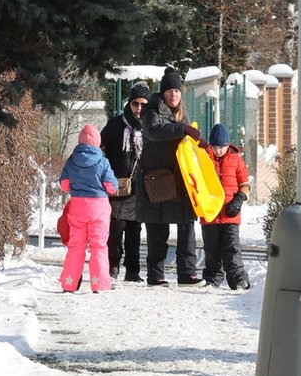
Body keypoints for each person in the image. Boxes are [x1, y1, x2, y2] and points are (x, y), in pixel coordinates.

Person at [136, 66, 208, 287]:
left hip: (179, 180)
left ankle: (187, 273)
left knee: (187, 225)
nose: (173, 95)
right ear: (163, 92)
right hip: (156, 180)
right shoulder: (152, 111)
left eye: (176, 91)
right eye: (169, 91)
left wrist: (200, 144)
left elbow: (185, 142)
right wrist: (183, 130)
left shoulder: (181, 114)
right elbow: (154, 131)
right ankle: (156, 275)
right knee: (158, 229)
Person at [58, 124, 117, 293]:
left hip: (77, 208)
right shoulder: (103, 162)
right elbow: (111, 186)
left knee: (76, 246)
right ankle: (99, 283)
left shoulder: (71, 160)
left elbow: (64, 184)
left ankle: (69, 282)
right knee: (99, 246)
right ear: (97, 142)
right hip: (98, 209)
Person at [100, 83, 150, 282]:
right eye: (135, 104)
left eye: (143, 105)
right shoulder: (115, 125)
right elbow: (101, 148)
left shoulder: (149, 127)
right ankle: (113, 265)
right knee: (115, 228)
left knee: (135, 231)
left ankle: (133, 270)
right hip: (117, 185)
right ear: (129, 104)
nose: (138, 109)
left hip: (139, 187)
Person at [201, 123, 251, 290]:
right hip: (210, 214)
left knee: (232, 247)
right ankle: (212, 278)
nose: (218, 150)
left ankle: (238, 278)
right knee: (211, 248)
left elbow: (244, 184)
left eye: (222, 147)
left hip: (230, 213)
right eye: (215, 147)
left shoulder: (236, 160)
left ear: (228, 145)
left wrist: (239, 200)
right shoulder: (204, 159)